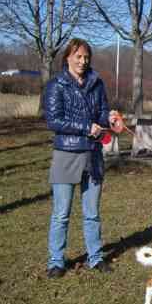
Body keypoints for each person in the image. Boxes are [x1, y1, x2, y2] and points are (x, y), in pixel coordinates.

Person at [43, 38, 117, 278]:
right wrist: (87, 127)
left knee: (92, 213)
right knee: (61, 213)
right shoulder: (56, 85)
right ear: (68, 57)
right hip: (66, 153)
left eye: (86, 57)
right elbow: (54, 121)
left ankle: (95, 258)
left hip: (93, 154)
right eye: (78, 56)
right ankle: (56, 261)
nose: (83, 61)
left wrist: (110, 118)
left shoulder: (97, 83)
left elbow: (102, 112)